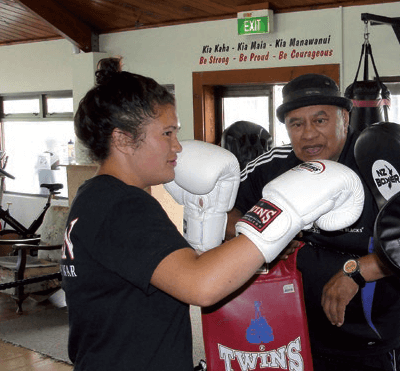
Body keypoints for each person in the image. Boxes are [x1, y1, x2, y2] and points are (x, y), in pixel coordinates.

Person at [61, 58, 363, 371]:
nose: (178, 147)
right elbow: (201, 286)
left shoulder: (96, 197)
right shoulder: (121, 206)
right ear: (122, 139)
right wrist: (283, 215)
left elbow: (175, 276)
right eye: (166, 134)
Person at [226, 73, 400, 371]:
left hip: (368, 340)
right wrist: (261, 238)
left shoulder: (379, 164)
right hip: (292, 333)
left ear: (345, 120)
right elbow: (226, 214)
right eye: (296, 124)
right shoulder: (274, 164)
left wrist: (357, 271)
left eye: (320, 121)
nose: (308, 134)